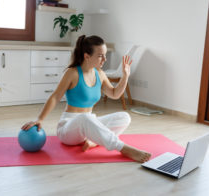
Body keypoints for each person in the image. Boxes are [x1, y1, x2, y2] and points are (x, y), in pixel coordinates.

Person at [21, 35, 151, 163]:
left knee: (124, 117)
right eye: (100, 56)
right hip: (68, 129)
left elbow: (115, 94)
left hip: (88, 124)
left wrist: (125, 76)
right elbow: (55, 97)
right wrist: (40, 119)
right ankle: (123, 148)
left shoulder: (100, 74)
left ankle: (93, 141)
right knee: (85, 118)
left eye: (105, 55)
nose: (104, 59)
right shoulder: (72, 73)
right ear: (87, 56)